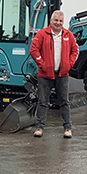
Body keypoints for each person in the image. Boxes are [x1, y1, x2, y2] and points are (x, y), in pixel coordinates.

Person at [30, 10, 79, 138]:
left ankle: (68, 128)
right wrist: (42, 64)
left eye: (60, 21)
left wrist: (69, 64)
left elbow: (75, 51)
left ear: (63, 22)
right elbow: (33, 50)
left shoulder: (68, 35)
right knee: (42, 102)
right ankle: (39, 128)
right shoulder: (42, 34)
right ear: (51, 21)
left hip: (62, 74)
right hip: (45, 75)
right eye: (56, 20)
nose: (58, 23)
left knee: (64, 102)